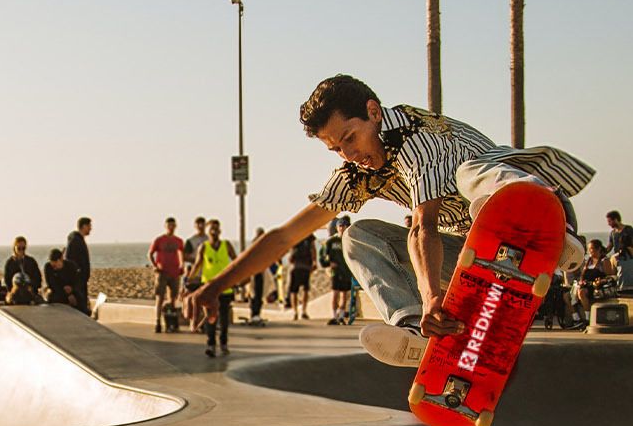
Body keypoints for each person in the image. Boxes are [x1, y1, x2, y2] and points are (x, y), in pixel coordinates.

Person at [183, 74, 594, 367]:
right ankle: (417, 332)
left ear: (374, 113)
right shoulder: (355, 174)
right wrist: (213, 287)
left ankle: (549, 235)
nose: (348, 154)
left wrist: (433, 292)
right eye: (335, 149)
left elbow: (422, 227)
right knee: (357, 237)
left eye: (350, 138)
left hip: (539, 220)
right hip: (477, 256)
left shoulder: (415, 136)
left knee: (472, 175)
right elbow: (285, 236)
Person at [197, 218, 236, 357]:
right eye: (211, 228)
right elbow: (197, 265)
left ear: (220, 230)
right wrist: (188, 280)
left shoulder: (226, 245)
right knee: (210, 317)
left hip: (225, 287)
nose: (214, 230)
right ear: (207, 231)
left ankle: (224, 343)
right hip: (209, 288)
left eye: (216, 228)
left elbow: (235, 261)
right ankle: (211, 344)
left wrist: (238, 277)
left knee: (224, 318)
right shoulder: (203, 247)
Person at [149, 218, 185, 331]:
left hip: (174, 272)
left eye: (173, 225)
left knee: (173, 299)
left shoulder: (178, 240)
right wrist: (155, 266)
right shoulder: (159, 240)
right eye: (169, 225)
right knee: (159, 297)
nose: (171, 227)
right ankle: (158, 322)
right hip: (162, 272)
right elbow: (150, 254)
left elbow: (181, 254)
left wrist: (182, 265)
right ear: (165, 226)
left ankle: (171, 322)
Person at [0, 236, 43, 305]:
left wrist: (32, 286)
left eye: (23, 248)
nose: (21, 251)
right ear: (14, 248)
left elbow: (38, 278)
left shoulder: (31, 261)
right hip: (15, 291)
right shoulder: (10, 263)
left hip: (29, 290)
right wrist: (12, 289)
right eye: (19, 248)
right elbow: (7, 279)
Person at [64, 217, 94, 314]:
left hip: (81, 280)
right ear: (84, 226)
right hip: (78, 281)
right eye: (89, 226)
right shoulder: (75, 241)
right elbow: (70, 260)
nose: (90, 228)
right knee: (80, 307)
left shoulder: (79, 240)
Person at [286, 232, 317, 321]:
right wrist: (314, 261)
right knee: (301, 290)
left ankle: (298, 311)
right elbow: (313, 248)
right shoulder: (308, 235)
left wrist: (314, 261)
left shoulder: (301, 234)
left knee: (296, 290)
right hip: (302, 265)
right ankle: (300, 311)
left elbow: (312, 248)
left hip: (299, 265)